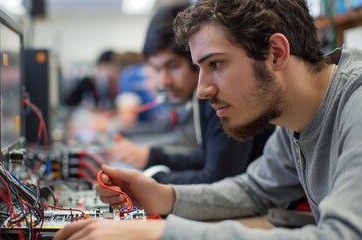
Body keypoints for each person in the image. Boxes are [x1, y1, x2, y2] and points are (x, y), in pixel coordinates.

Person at [53, 0, 362, 239]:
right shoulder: (292, 114)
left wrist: (164, 233)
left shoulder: (356, 102)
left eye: (216, 63)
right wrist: (165, 196)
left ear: (276, 53)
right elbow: (255, 190)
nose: (202, 90)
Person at [102, 2, 274, 184]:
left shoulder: (222, 98)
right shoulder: (202, 99)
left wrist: (149, 179)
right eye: (158, 70)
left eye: (174, 66)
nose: (164, 81)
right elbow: (206, 155)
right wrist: (152, 159)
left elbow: (218, 178)